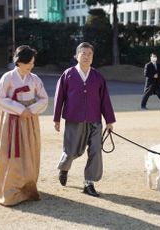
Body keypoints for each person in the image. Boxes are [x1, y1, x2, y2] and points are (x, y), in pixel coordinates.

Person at [0, 45, 48, 206]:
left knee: (29, 152)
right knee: (9, 152)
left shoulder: (34, 79)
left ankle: (27, 185)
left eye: (33, 63)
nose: (31, 66)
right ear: (19, 62)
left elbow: (44, 99)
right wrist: (20, 109)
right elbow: (1, 99)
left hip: (29, 120)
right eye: (29, 63)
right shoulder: (7, 77)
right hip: (11, 120)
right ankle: (8, 186)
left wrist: (30, 110)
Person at [53, 42, 116, 197]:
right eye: (83, 53)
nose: (87, 57)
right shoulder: (67, 74)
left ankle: (89, 183)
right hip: (74, 119)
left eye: (90, 54)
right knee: (71, 150)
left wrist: (109, 120)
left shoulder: (98, 77)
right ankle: (64, 168)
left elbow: (105, 100)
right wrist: (56, 119)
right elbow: (59, 97)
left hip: (95, 120)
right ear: (76, 55)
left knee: (95, 150)